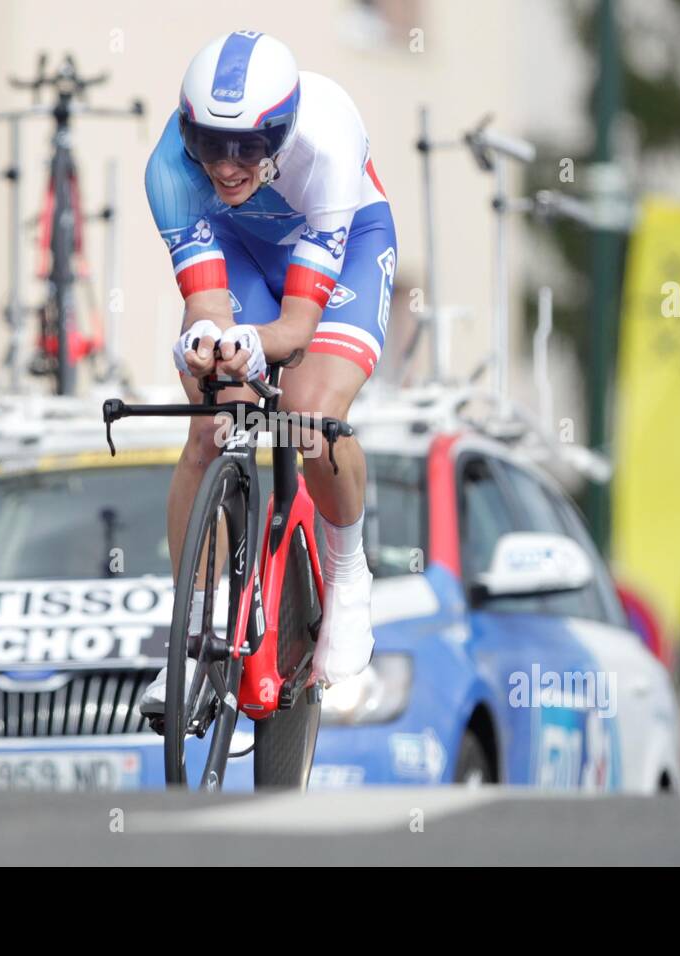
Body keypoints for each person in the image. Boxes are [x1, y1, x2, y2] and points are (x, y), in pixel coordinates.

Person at [139, 31, 396, 714]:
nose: (227, 166)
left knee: (310, 411)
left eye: (250, 146)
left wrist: (256, 344)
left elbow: (295, 332)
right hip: (241, 249)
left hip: (342, 245)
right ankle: (192, 630)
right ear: (187, 132)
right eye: (210, 144)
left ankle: (346, 576)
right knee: (213, 418)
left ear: (281, 133)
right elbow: (208, 304)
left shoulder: (329, 141)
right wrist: (209, 342)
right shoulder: (169, 168)